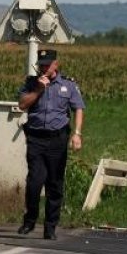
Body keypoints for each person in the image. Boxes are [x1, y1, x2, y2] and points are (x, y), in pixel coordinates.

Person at [16, 49, 85, 239]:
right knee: (34, 183)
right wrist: (38, 90)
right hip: (36, 138)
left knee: (54, 184)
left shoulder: (68, 85)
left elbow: (78, 108)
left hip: (58, 139)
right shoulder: (31, 83)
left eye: (48, 64)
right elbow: (22, 105)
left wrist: (77, 134)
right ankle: (30, 221)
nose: (44, 68)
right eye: (42, 65)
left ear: (56, 64)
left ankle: (50, 226)